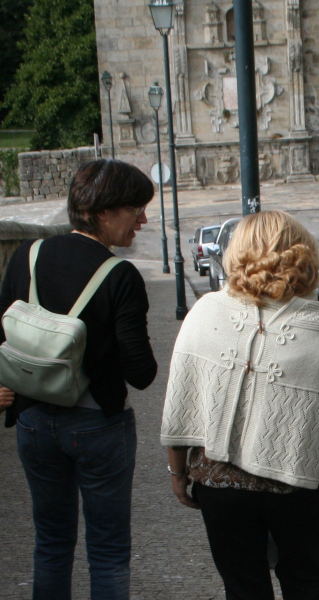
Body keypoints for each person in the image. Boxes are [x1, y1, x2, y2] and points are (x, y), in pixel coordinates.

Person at [161, 211, 319, 600]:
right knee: (306, 585)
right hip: (298, 488)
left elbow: (182, 402)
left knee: (243, 590)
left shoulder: (204, 313)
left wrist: (177, 471)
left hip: (221, 484)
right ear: (303, 257)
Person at [0, 159, 158, 599]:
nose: (143, 221)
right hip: (97, 426)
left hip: (32, 422)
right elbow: (142, 374)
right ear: (103, 212)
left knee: (50, 544)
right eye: (136, 210)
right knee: (107, 551)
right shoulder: (119, 276)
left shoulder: (25, 258)